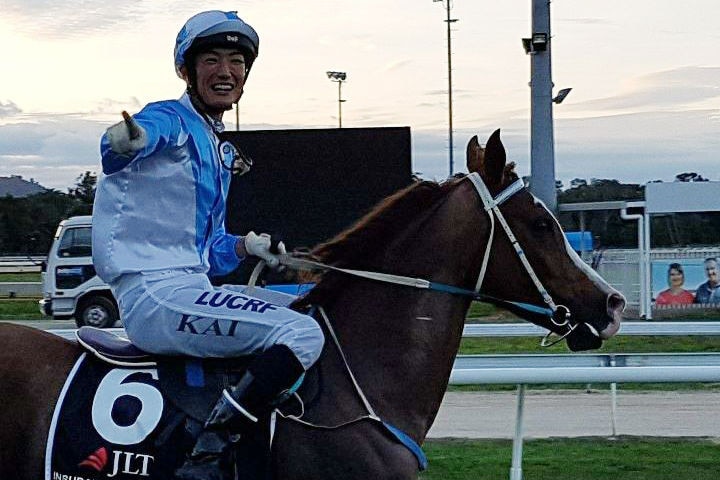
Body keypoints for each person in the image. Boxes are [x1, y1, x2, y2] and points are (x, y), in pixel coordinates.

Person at [92, 10, 324, 480]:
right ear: (187, 70)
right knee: (302, 335)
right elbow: (127, 142)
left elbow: (208, 250)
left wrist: (244, 247)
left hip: (188, 285)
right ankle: (208, 451)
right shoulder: (171, 119)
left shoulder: (214, 144)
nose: (226, 71)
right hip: (154, 297)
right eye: (212, 59)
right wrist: (127, 139)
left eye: (236, 60)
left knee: (311, 306)